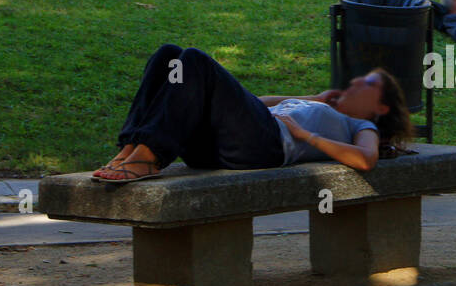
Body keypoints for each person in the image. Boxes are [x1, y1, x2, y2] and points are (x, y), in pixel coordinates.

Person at [92, 43, 413, 183]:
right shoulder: (319, 105)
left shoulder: (359, 125)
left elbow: (365, 160)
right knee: (169, 57)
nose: (356, 81)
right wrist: (310, 97)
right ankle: (131, 149)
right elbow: (253, 102)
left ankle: (148, 156)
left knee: (194, 60)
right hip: (230, 143)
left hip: (264, 146)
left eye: (368, 83)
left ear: (380, 107)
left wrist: (306, 136)